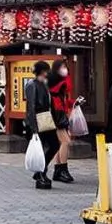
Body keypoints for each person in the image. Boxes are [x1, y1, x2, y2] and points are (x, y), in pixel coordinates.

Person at [25, 61, 59, 190]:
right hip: (38, 120)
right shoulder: (32, 85)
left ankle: (41, 170)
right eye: (46, 70)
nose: (48, 73)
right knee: (46, 146)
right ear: (42, 71)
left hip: (45, 118)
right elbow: (31, 107)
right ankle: (40, 173)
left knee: (54, 144)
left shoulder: (43, 84)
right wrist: (33, 127)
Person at [47, 58, 78, 183]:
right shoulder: (58, 81)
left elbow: (64, 97)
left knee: (60, 142)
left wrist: (73, 103)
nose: (65, 69)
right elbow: (66, 88)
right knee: (65, 141)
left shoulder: (52, 80)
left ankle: (58, 170)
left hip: (57, 113)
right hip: (57, 114)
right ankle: (62, 169)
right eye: (63, 67)